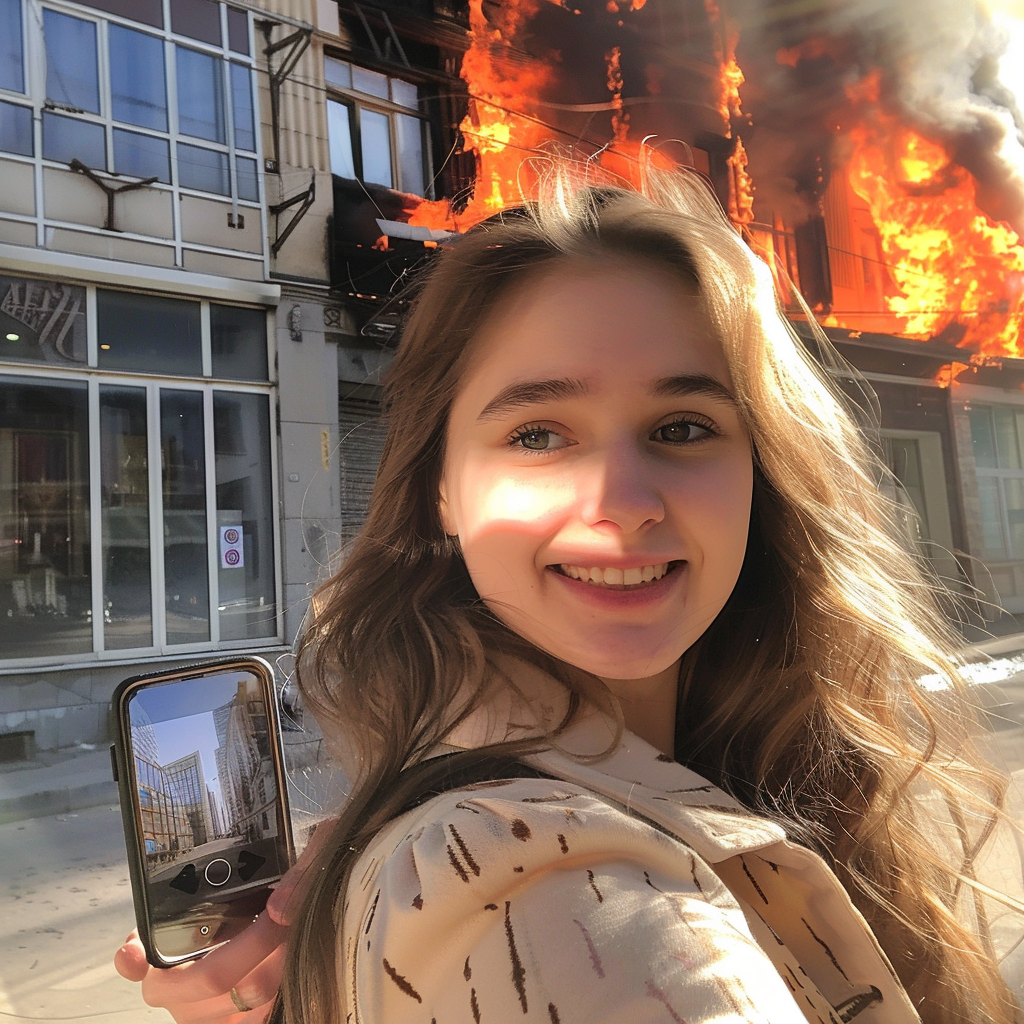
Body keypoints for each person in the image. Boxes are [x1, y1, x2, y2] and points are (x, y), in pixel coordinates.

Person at [116, 161, 1024, 1023]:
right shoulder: (537, 882)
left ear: (763, 470)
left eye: (681, 425)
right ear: (442, 490)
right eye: (540, 435)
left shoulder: (682, 780)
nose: (622, 506)